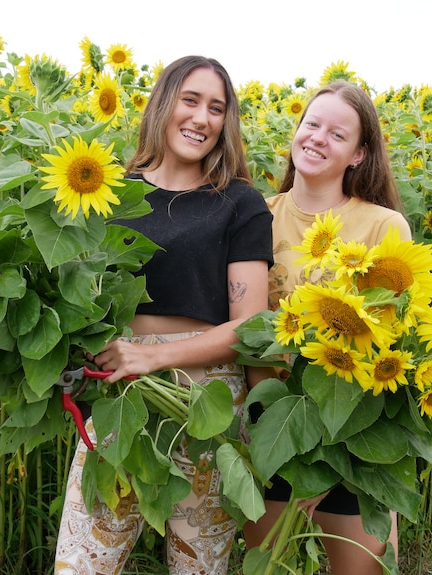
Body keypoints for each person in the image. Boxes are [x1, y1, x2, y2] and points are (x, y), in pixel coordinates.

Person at [54, 55, 273, 575]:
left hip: (205, 398)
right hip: (121, 392)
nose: (201, 118)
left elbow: (250, 326)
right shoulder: (111, 190)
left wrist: (154, 358)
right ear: (163, 103)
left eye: (216, 108)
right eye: (190, 100)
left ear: (227, 123)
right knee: (81, 562)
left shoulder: (240, 203)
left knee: (199, 567)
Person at [243, 81, 409, 575]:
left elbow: (387, 343)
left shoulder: (383, 227)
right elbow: (247, 333)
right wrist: (280, 439)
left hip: (355, 435)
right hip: (275, 422)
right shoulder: (258, 216)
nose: (317, 138)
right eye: (311, 124)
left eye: (337, 134)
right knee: (269, 564)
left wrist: (323, 459)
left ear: (359, 154)